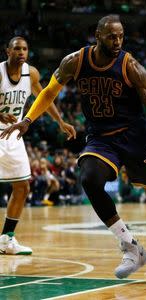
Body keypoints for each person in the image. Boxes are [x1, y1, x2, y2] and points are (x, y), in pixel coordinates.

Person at [0, 16, 146, 278]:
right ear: (98, 35)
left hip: (136, 134)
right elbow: (48, 93)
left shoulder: (130, 66)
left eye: (121, 36)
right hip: (101, 137)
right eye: (112, 36)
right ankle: (131, 247)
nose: (117, 41)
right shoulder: (75, 61)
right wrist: (28, 119)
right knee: (89, 178)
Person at [0, 36, 76, 255]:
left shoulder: (30, 73)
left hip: (13, 135)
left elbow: (45, 97)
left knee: (23, 187)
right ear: (8, 51)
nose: (21, 52)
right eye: (16, 48)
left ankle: (6, 239)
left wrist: (60, 121)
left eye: (24, 49)